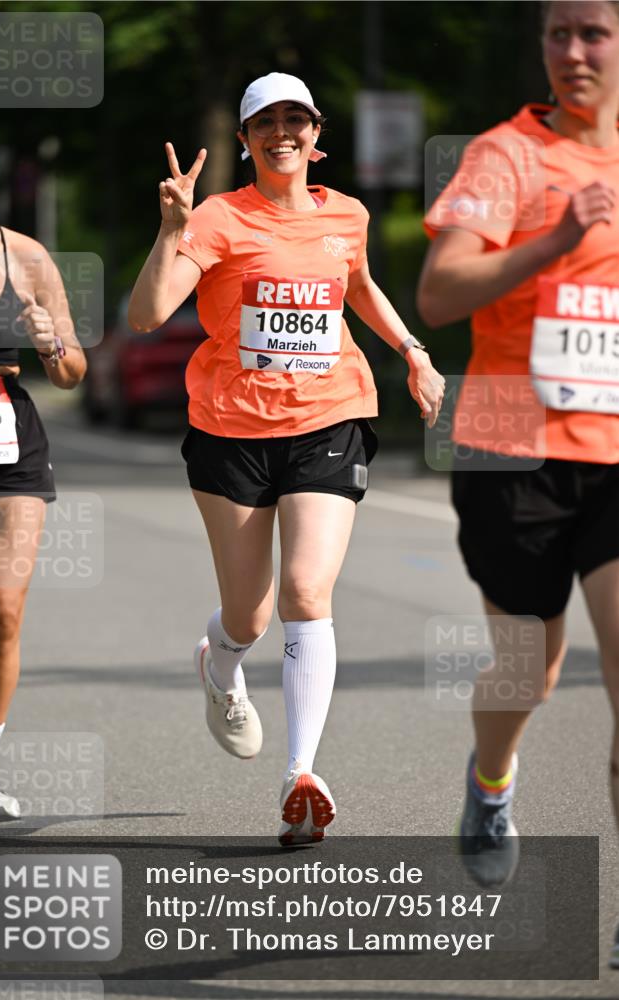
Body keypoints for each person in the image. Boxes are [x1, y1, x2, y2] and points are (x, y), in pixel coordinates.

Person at [129, 72, 445, 845]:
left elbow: (358, 286)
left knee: (307, 589)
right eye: (264, 121)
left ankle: (300, 773)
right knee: (249, 612)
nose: (282, 133)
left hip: (328, 418)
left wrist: (412, 351)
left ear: (316, 134)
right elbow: (146, 315)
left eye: (295, 120)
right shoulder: (217, 217)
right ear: (244, 139)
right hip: (230, 428)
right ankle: (220, 663)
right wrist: (171, 230)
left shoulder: (347, 214)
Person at [417, 0, 619, 967]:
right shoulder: (506, 156)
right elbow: (438, 292)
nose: (572, 51)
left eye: (594, 32)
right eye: (557, 33)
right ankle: (491, 782)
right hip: (513, 449)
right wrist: (554, 240)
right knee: (524, 670)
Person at [0, 118, 86, 822]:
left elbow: (71, 372)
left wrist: (51, 342)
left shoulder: (27, 256)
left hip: (8, 445)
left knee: (1, 609)